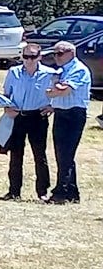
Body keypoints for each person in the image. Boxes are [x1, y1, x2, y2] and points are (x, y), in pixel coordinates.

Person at [0, 43, 52, 202]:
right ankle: (14, 191)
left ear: (39, 57)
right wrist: (6, 108)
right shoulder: (13, 72)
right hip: (18, 117)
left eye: (33, 56)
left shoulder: (50, 73)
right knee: (15, 155)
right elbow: (6, 94)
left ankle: (42, 191)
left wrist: (52, 106)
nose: (29, 60)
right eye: (26, 56)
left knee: (39, 155)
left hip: (38, 117)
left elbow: (58, 93)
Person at [46, 40, 89, 203]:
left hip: (74, 115)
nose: (56, 57)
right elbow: (55, 93)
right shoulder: (62, 70)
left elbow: (64, 91)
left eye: (60, 53)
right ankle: (70, 192)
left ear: (71, 53)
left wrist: (53, 89)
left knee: (66, 154)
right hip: (61, 114)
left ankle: (61, 192)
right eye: (54, 53)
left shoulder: (79, 70)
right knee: (61, 154)